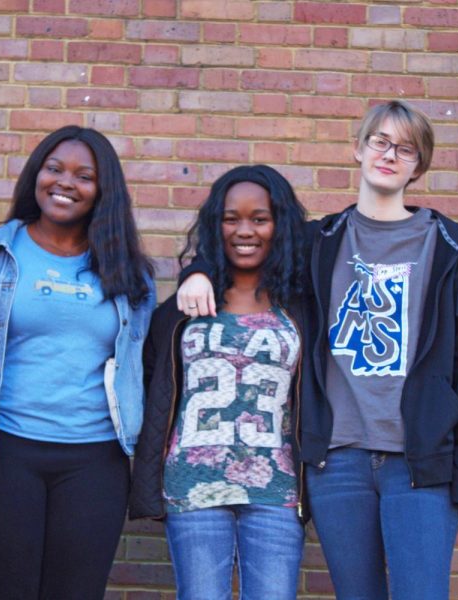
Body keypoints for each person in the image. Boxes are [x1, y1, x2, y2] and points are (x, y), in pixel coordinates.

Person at [177, 101, 458, 599]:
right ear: (359, 149)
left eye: (405, 148)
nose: (390, 154)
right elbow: (241, 245)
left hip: (420, 458)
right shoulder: (317, 240)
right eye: (380, 142)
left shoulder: (449, 247)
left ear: (419, 165)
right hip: (338, 459)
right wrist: (195, 270)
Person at [0, 126, 155, 600]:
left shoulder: (130, 271)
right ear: (36, 174)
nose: (65, 183)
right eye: (55, 169)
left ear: (103, 191)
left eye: (84, 176)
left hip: (95, 459)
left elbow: (140, 363)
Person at [130, 165, 312, 600]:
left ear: (280, 225)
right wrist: (199, 270)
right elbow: (153, 388)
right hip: (192, 487)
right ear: (216, 225)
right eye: (231, 218)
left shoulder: (303, 307)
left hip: (278, 490)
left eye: (259, 218)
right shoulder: (180, 310)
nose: (244, 230)